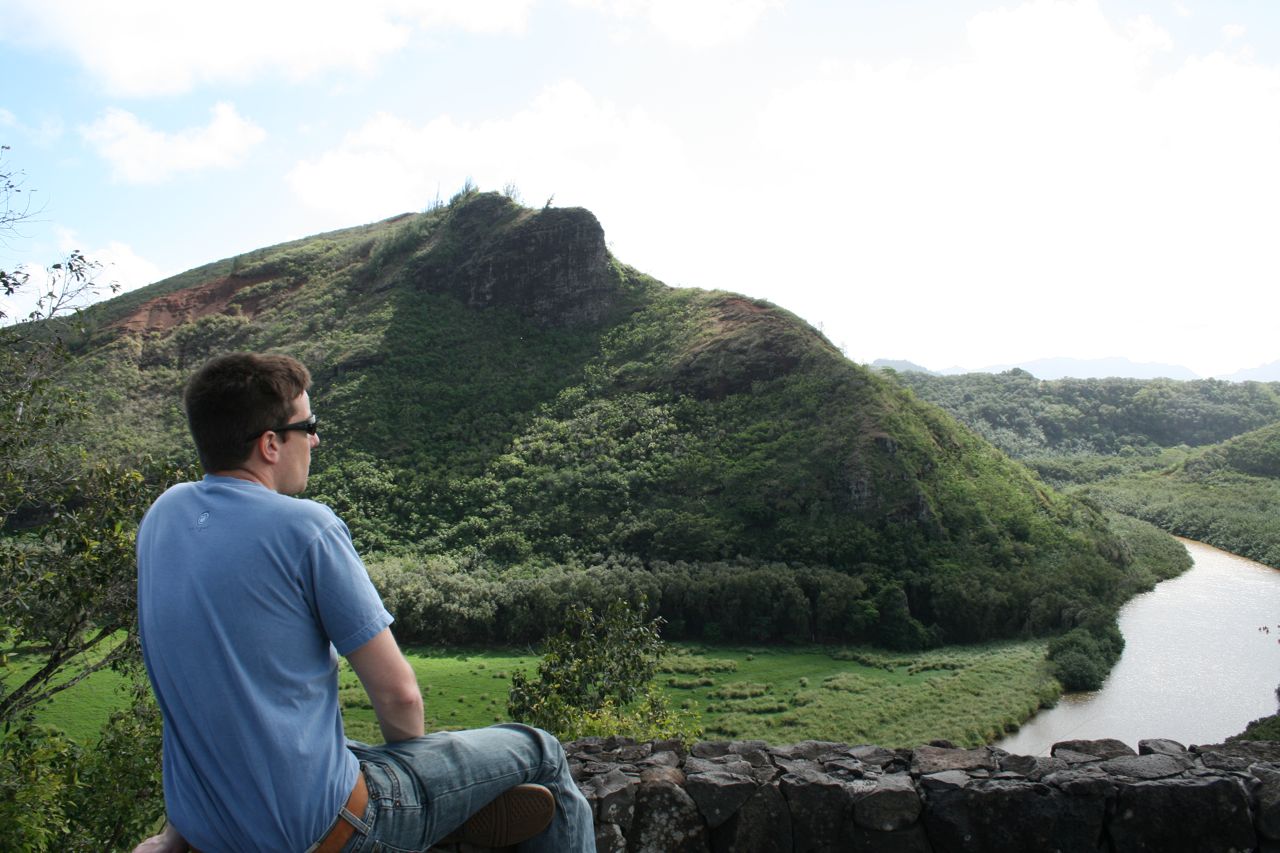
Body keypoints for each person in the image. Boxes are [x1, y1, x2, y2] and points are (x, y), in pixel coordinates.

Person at [133, 352, 596, 852]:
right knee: (544, 752)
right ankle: (440, 819)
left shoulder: (164, 515)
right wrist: (420, 782)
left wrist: (172, 835)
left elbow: (199, 694)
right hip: (328, 832)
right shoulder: (306, 528)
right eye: (306, 426)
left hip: (213, 831)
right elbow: (399, 695)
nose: (315, 440)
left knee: (347, 749)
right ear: (270, 444)